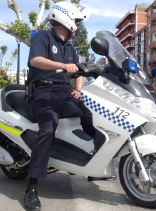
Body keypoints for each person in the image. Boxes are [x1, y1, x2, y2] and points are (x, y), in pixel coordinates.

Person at [24, 2, 96, 210]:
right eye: (76, 20)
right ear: (65, 17)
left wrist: (79, 89)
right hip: (43, 92)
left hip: (65, 92)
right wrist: (62, 66)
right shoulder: (42, 37)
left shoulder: (70, 47)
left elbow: (77, 72)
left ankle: (93, 164)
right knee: (48, 127)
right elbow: (35, 60)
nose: (77, 25)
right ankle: (32, 186)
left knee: (88, 115)